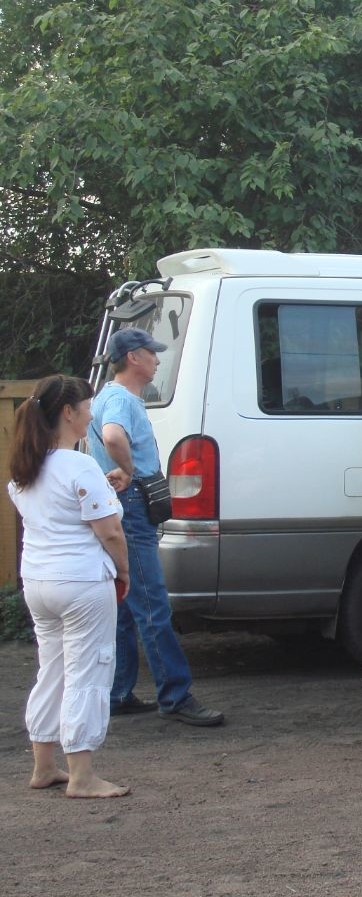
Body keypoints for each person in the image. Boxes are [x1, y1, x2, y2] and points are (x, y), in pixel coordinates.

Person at [90, 327, 224, 726]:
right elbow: (113, 436)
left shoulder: (111, 396)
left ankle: (117, 691)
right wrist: (130, 471)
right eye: (152, 353)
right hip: (131, 504)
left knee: (126, 605)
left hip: (121, 504)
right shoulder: (119, 398)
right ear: (134, 357)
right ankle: (175, 694)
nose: (157, 360)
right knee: (152, 604)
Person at [8, 376, 131, 799]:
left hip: (39, 581)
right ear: (68, 412)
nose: (91, 414)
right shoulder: (79, 465)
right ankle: (81, 775)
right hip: (81, 582)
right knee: (89, 671)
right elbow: (110, 532)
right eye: (86, 407)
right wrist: (124, 572)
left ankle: (44, 765)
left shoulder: (27, 465)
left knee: (53, 669)